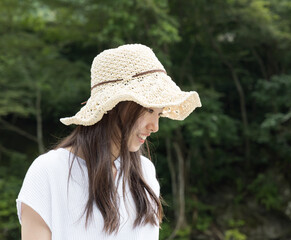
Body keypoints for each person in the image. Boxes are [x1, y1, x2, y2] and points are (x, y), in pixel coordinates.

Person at [16, 44, 201, 240]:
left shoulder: (145, 172)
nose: (155, 126)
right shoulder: (49, 171)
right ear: (115, 106)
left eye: (159, 113)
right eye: (148, 110)